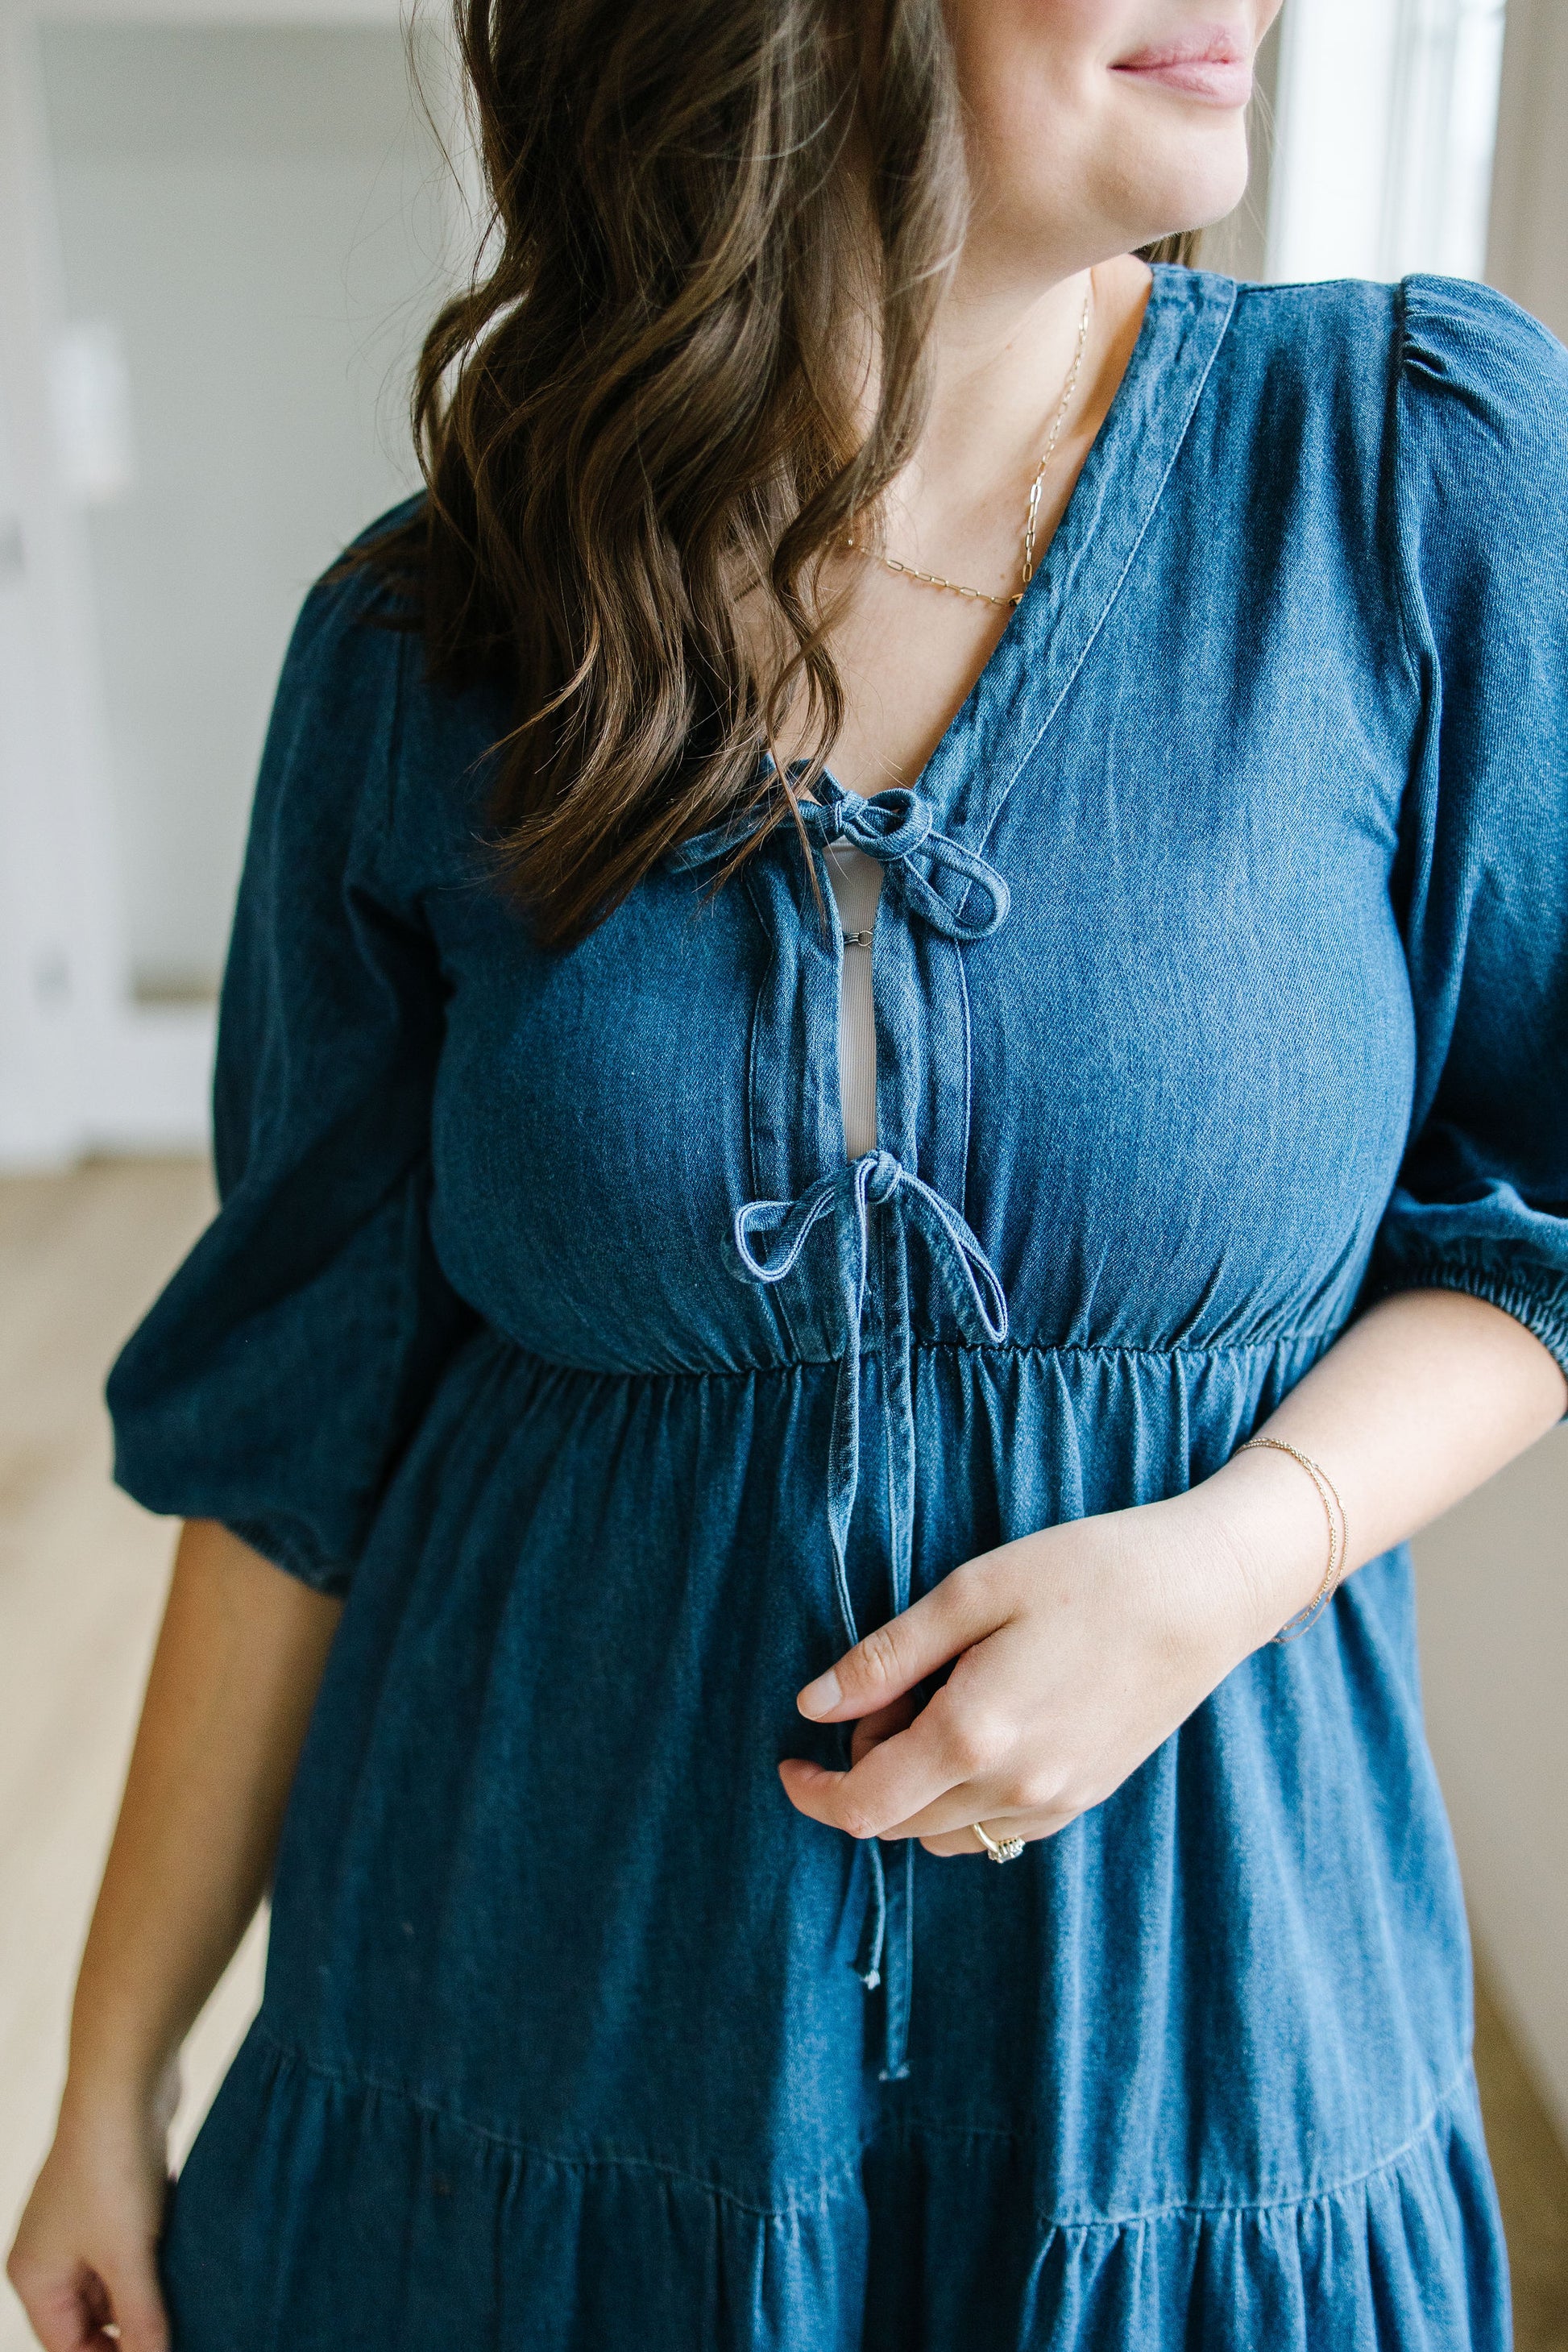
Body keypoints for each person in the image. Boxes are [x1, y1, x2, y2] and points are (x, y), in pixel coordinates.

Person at [10, 1, 1568, 2345]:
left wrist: (1231, 1559)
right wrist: (107, 2067)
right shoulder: (429, 638)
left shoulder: (1401, 470)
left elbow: (1536, 1211)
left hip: (1204, 2031)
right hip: (537, 2030)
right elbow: (296, 1437)